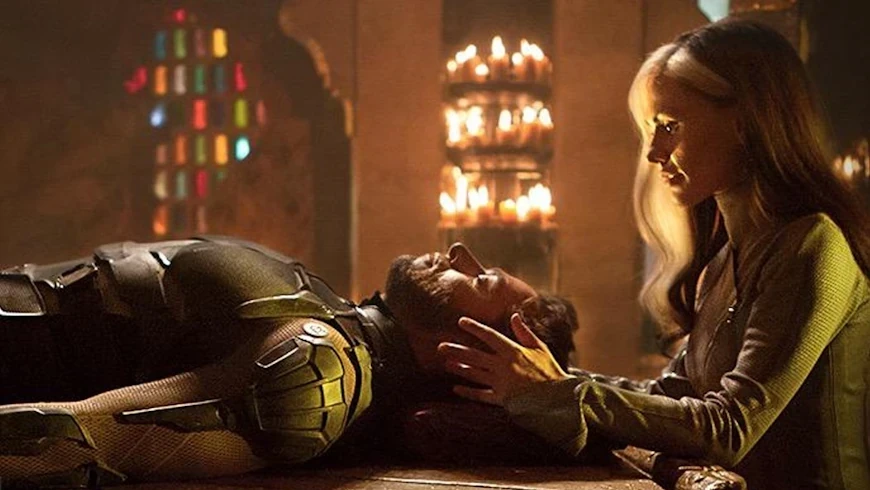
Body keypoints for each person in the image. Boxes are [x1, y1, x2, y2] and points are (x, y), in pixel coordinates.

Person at [439, 19, 870, 490]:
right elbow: (668, 398)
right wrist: (541, 378)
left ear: (746, 121)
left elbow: (727, 429)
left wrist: (560, 391)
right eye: (652, 130)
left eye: (669, 126)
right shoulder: (723, 263)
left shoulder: (812, 245)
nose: (654, 153)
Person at [0, 238, 577, 486]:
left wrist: (551, 398)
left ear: (477, 354)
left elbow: (73, 439)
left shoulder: (317, 372)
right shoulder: (329, 322)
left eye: (483, 279)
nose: (459, 253)